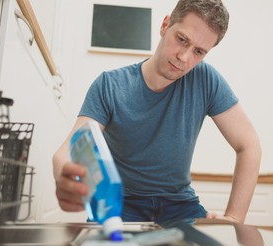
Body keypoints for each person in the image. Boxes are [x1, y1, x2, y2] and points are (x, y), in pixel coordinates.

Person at [52, 0, 261, 225]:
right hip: (122, 204)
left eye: (199, 52)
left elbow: (249, 145)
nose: (184, 57)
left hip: (181, 206)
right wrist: (67, 176)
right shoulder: (109, 85)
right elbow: (67, 151)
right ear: (164, 26)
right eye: (182, 40)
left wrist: (234, 218)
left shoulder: (206, 79)